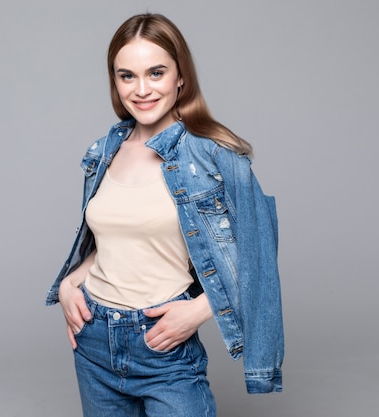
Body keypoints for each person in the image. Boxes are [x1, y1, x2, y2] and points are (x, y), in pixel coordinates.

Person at [45, 13, 284, 417]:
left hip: (164, 346)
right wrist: (72, 281)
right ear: (115, 81)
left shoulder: (214, 154)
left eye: (156, 72)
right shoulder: (104, 150)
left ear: (180, 77)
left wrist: (200, 310)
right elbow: (116, 242)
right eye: (127, 76)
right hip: (94, 342)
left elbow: (258, 252)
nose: (141, 90)